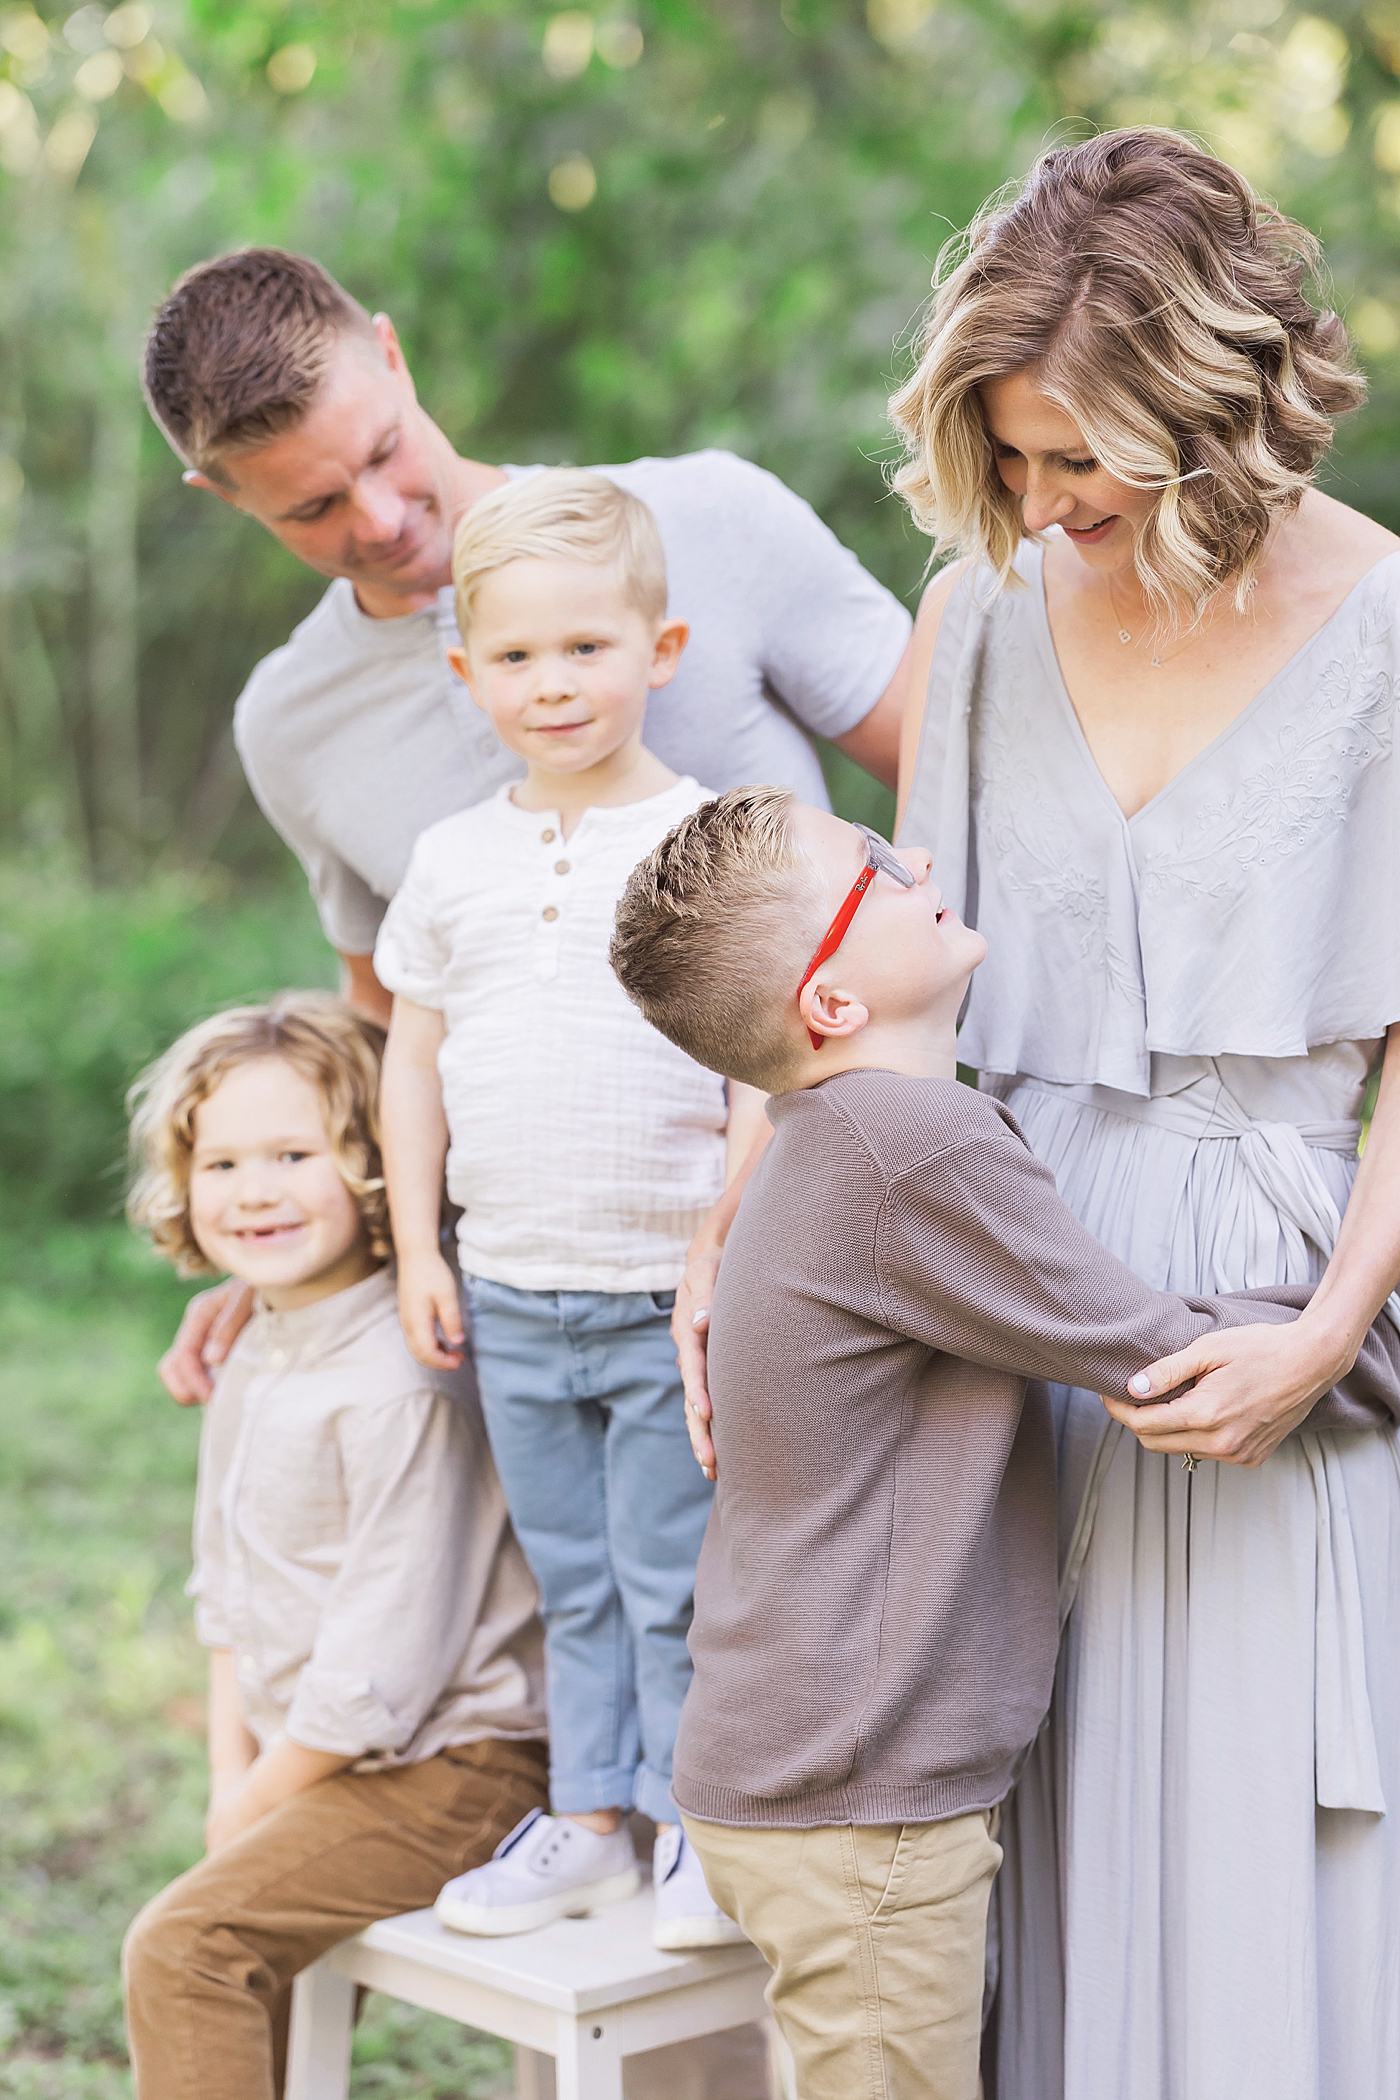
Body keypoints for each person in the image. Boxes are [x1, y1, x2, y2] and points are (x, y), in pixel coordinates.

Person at [607, 786, 1400, 2100]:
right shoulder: (905, 1144)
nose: (910, 853)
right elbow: (1163, 1365)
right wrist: (1367, 1336)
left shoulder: (850, 1139)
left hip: (810, 1770)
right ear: (833, 1006)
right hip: (855, 1803)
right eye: (869, 865)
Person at [876, 129, 1400, 2099]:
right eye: (1005, 456)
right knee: (1036, 1816)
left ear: (1222, 410)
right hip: (1008, 1293)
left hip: (1270, 1306)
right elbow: (904, 1003)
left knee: (1271, 1837)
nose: (1038, 498)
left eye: (1076, 454)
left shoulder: (1388, 629)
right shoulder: (988, 611)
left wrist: (1329, 1332)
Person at [138, 242, 916, 1369]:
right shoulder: (290, 725)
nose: (383, 519)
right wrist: (303, 1268)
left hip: (840, 1224)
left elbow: (960, 790)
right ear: (222, 497)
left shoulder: (712, 521)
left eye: (383, 453)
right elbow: (390, 1024)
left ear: (393, 358)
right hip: (552, 1306)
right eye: (312, 508)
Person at [375, 472, 762, 1952]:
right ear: (469, 672)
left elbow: (760, 1072)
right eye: (519, 658)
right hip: (515, 1291)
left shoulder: (709, 839)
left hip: (667, 1297)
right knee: (572, 1576)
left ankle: (690, 1829)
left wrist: (730, 1231)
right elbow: (416, 1056)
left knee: (676, 1576)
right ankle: (591, 1819)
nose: (554, 685)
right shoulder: (453, 862)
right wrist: (421, 1244)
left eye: (587, 649)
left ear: (658, 652)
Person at [120, 993, 548, 2100]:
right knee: (216, 1936)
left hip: (453, 1770)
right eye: (219, 1164)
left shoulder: (401, 1384)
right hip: (313, 1760)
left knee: (184, 1949)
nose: (252, 1190)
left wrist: (257, 1800)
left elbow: (378, 1670)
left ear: (375, 1169)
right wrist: (232, 1777)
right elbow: (226, 1592)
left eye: (292, 1154)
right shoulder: (253, 1344)